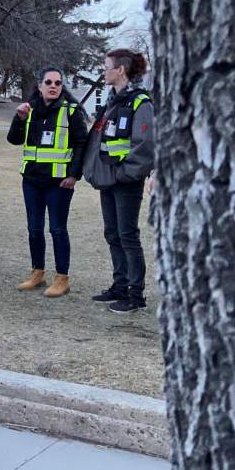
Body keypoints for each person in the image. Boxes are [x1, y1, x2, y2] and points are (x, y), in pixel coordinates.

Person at [82, 48, 155, 312]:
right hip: (109, 181)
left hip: (125, 182)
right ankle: (120, 285)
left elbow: (144, 146)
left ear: (120, 70)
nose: (104, 71)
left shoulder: (140, 103)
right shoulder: (112, 102)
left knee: (127, 235)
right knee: (112, 233)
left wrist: (125, 174)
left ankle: (136, 295)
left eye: (107, 66)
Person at [7, 67, 89, 297]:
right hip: (32, 180)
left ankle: (62, 278)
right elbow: (14, 139)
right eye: (49, 82)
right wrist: (18, 119)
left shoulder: (71, 111)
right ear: (40, 86)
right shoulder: (29, 109)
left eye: (58, 83)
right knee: (34, 229)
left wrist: (74, 175)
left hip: (59, 183)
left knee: (57, 229)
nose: (53, 86)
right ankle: (37, 273)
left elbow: (82, 144)